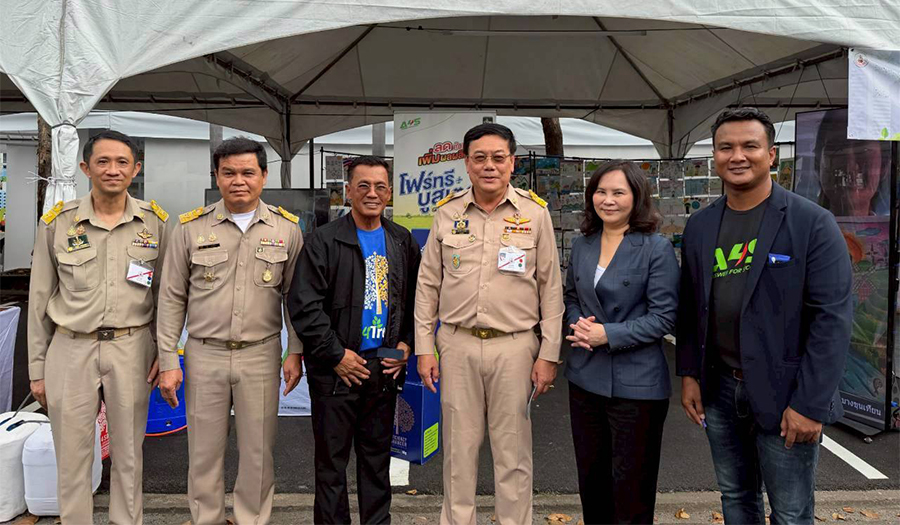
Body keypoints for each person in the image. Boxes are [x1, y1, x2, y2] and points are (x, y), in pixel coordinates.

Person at [677, 108, 852, 524]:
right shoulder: (700, 226)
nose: (737, 156)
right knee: (736, 498)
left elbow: (832, 320)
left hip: (787, 392)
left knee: (790, 512)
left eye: (750, 146)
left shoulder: (812, 223)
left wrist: (810, 405)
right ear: (714, 156)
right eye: (726, 147)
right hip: (720, 389)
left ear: (771, 155)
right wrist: (689, 374)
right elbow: (690, 306)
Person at [415, 123, 564, 525]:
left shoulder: (535, 214)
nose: (489, 166)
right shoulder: (447, 213)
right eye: (479, 157)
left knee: (513, 454)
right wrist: (425, 348)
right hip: (457, 344)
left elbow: (551, 289)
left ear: (512, 163)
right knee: (458, 452)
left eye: (498, 157)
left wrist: (549, 353)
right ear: (466, 163)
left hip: (514, 347)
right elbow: (427, 286)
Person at [156, 137, 303, 525]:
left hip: (261, 353)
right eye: (229, 173)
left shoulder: (287, 229)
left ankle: (251, 519)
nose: (239, 181)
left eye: (248, 172)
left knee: (258, 452)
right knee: (203, 451)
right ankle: (206, 518)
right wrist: (168, 359)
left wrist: (295, 351)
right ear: (216, 177)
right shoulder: (189, 228)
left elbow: (296, 298)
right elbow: (171, 298)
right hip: (205, 353)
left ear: (264, 176)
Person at [28, 129, 168, 524]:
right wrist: (36, 369)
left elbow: (165, 295)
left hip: (132, 346)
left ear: (136, 169)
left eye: (122, 162)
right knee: (72, 456)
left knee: (129, 455)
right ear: (85, 168)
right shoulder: (58, 223)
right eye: (102, 162)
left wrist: (165, 352)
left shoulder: (155, 223)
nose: (112, 170)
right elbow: (39, 299)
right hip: (71, 347)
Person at [287, 155, 421, 524]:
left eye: (380, 186)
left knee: (377, 463)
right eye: (363, 186)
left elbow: (416, 300)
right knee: (331, 465)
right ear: (348, 191)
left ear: (389, 193)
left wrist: (406, 344)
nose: (371, 193)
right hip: (336, 373)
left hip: (383, 370)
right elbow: (304, 305)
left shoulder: (401, 240)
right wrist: (336, 355)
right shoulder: (323, 241)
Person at [564, 160, 679, 524]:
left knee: (632, 489)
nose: (608, 200)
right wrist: (578, 324)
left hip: (637, 386)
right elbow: (571, 297)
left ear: (637, 197)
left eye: (618, 192)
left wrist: (606, 334)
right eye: (600, 192)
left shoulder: (656, 248)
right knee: (592, 482)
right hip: (585, 379)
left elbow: (664, 317)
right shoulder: (582, 245)